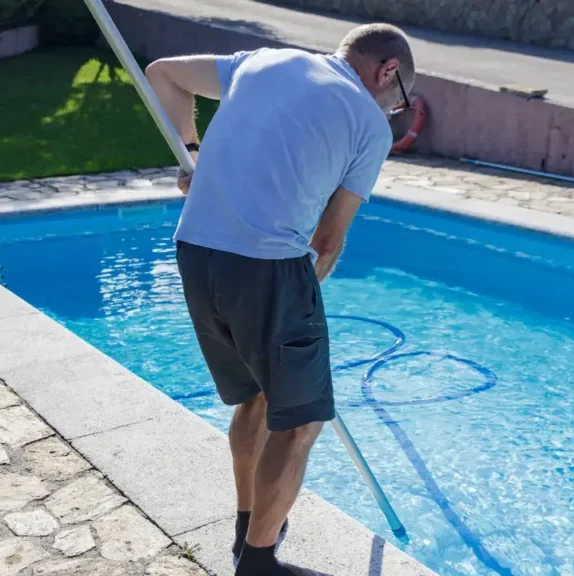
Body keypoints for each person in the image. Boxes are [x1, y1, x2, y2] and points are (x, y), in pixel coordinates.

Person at [146, 23, 415, 575]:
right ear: (387, 71)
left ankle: (249, 526)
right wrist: (303, 296)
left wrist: (191, 156)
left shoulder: (263, 61)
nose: (394, 110)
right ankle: (260, 563)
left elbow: (163, 74)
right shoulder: (369, 123)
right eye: (399, 100)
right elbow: (328, 239)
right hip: (267, 267)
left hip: (195, 252)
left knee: (258, 399)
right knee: (299, 422)